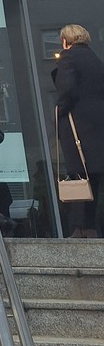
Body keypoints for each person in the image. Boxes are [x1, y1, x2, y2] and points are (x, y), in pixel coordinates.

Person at [53, 23, 104, 238]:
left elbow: (67, 90)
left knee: (77, 174)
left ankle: (79, 226)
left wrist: (59, 111)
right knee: (93, 176)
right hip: (96, 125)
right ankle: (90, 226)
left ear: (65, 40)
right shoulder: (95, 59)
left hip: (77, 124)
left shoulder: (68, 57)